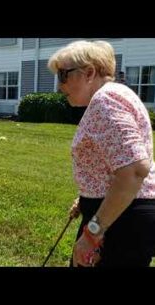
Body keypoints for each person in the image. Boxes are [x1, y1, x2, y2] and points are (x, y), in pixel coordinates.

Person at [48, 40, 155, 267]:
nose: (59, 86)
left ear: (89, 72)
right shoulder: (116, 96)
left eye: (63, 75)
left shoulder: (106, 100)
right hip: (120, 213)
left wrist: (92, 233)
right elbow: (119, 162)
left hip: (121, 221)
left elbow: (135, 170)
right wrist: (87, 196)